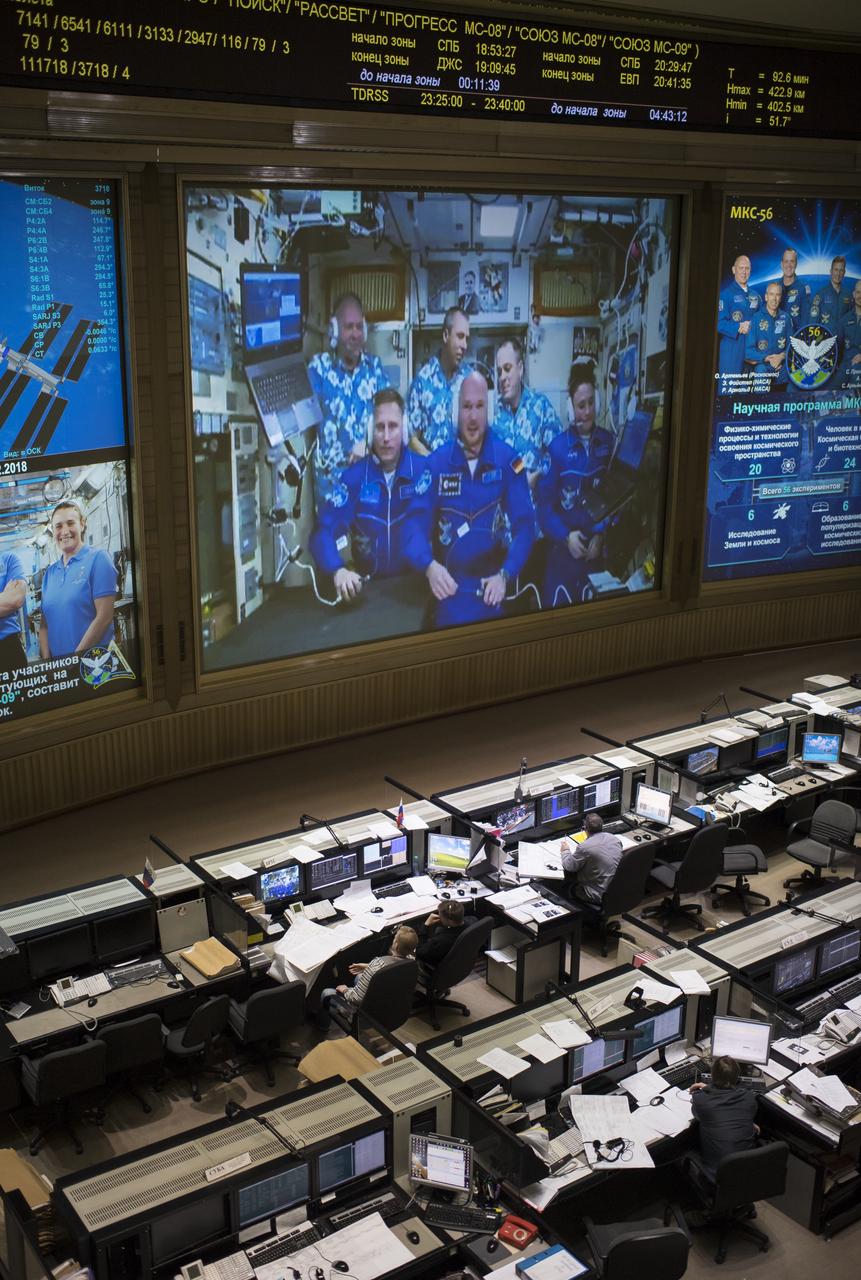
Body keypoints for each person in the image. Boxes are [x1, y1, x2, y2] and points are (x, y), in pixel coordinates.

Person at [421, 370, 534, 628]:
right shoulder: (436, 464)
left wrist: (505, 575)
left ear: (489, 411)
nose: (472, 417)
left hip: (492, 591)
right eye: (466, 407)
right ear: (456, 411)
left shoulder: (509, 461)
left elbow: (526, 525)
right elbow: (414, 527)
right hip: (447, 593)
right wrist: (429, 567)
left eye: (480, 406)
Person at [310, 388, 430, 601]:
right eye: (379, 427)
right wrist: (338, 570)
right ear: (369, 432)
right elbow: (322, 531)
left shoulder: (424, 473)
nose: (385, 437)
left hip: (416, 590)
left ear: (404, 431)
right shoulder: (354, 478)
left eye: (393, 427)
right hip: (369, 593)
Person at [537, 363, 614, 608]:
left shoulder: (608, 444)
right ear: (571, 408)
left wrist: (601, 533)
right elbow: (544, 509)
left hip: (595, 558)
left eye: (592, 402)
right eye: (581, 405)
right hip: (563, 559)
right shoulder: (557, 449)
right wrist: (565, 537)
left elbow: (616, 499)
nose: (588, 411)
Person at [308, 293, 389, 509]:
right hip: (332, 496)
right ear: (334, 330)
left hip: (369, 492)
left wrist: (370, 443)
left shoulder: (375, 369)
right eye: (348, 327)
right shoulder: (318, 370)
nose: (355, 334)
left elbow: (393, 420)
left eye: (358, 327)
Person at [39, 500, 117, 660]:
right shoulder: (50, 574)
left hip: (94, 666)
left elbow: (104, 617)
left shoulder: (98, 559)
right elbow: (44, 625)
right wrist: (49, 664)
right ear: (53, 531)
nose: (65, 531)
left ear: (82, 524)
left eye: (70, 523)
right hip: (62, 672)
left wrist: (74, 659)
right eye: (58, 526)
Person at [318, 925, 418, 1029]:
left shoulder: (377, 965)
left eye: (394, 938)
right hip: (394, 1010)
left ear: (396, 946)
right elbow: (393, 965)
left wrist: (345, 991)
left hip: (366, 1017)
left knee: (326, 993)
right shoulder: (412, 962)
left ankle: (323, 1027)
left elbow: (356, 998)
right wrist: (368, 967)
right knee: (359, 976)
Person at [494, 337, 562, 486]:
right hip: (501, 505)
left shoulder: (541, 407)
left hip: (535, 505)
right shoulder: (493, 414)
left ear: (520, 369)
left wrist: (537, 475)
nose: (502, 377)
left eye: (507, 368)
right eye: (499, 372)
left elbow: (559, 453)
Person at [407, 307, 473, 454]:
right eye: (460, 336)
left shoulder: (471, 380)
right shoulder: (422, 381)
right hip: (431, 471)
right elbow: (412, 439)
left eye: (467, 339)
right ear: (445, 335)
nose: (464, 345)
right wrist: (433, 463)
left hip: (464, 471)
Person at [690, 1055, 760, 1172]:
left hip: (717, 1173)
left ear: (712, 1075)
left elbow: (699, 1115)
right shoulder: (749, 1098)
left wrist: (706, 1090)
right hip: (747, 1168)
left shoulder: (701, 1100)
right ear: (737, 1077)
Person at [559, 813, 623, 906]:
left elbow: (569, 866)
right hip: (614, 887)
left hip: (596, 892)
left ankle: (582, 915)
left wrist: (565, 850)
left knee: (564, 886)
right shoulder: (614, 839)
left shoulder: (585, 847)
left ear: (585, 828)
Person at [717, 254, 761, 376]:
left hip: (752, 352)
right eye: (741, 268)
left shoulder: (756, 296)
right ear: (733, 269)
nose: (744, 272)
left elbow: (763, 321)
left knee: (747, 392)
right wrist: (739, 327)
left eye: (747, 268)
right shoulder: (725, 295)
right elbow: (719, 324)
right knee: (729, 391)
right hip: (732, 352)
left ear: (750, 271)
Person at [745, 281, 789, 385]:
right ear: (766, 297)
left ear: (781, 297)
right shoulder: (756, 318)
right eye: (771, 294)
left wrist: (781, 357)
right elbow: (748, 351)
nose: (774, 299)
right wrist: (766, 358)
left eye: (777, 295)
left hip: (782, 365)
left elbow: (792, 346)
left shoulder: (786, 318)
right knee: (760, 373)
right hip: (763, 365)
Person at [416, 899, 466, 968]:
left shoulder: (440, 941)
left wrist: (425, 926)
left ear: (450, 921)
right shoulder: (473, 921)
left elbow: (419, 952)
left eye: (440, 916)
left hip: (436, 967)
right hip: (461, 961)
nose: (439, 916)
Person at [809, 255, 853, 332]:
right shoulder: (820, 294)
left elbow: (851, 320)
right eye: (836, 270)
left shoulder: (848, 295)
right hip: (826, 340)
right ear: (831, 271)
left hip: (844, 341)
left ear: (844, 272)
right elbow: (813, 321)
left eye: (841, 270)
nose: (838, 274)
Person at [0, 548, 27, 672]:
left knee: (20, 690)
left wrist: (9, 598)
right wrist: (4, 596)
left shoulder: (9, 560)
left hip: (9, 647)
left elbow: (16, 599)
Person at [771, 247, 811, 331]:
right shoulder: (775, 287)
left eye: (792, 261)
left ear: (796, 264)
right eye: (786, 261)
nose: (789, 265)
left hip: (795, 338)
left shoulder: (803, 288)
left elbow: (805, 319)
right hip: (776, 337)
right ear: (782, 264)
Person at [838, 280, 861, 388]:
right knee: (829, 391)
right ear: (853, 294)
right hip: (845, 366)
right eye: (858, 292)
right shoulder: (845, 320)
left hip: (858, 368)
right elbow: (838, 345)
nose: (860, 296)